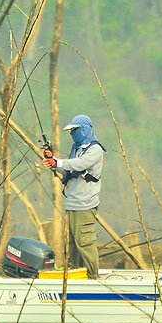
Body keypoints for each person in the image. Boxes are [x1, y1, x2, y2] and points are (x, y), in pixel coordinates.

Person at [42, 114, 105, 279]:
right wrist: (52, 162)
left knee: (85, 243)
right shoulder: (75, 148)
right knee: (72, 244)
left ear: (84, 129)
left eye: (75, 130)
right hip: (72, 204)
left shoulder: (95, 150)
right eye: (71, 131)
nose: (72, 134)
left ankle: (92, 276)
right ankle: (74, 273)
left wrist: (58, 162)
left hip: (86, 204)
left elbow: (81, 164)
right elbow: (68, 172)